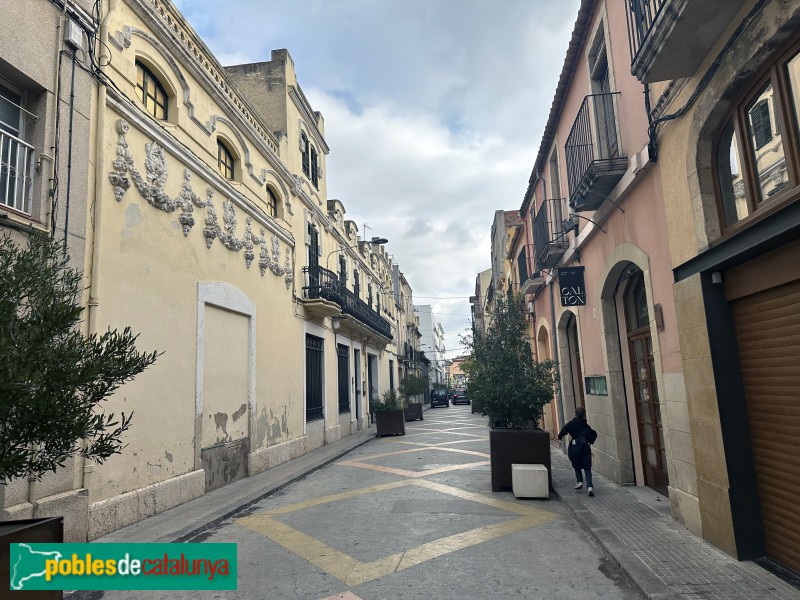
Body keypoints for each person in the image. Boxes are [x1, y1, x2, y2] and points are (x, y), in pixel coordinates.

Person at [558, 406, 598, 496]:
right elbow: (593, 434)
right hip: (585, 447)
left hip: (576, 446)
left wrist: (560, 437)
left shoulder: (571, 424)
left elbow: (562, 431)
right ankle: (590, 487)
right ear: (584, 415)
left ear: (575, 414)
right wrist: (590, 441)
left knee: (576, 464)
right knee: (587, 468)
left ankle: (579, 481)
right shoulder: (586, 425)